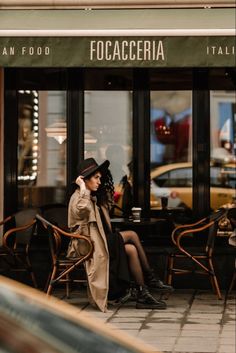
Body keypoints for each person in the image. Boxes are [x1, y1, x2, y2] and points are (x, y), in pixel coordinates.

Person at [68, 158, 173, 312]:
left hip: (100, 241)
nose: (99, 181)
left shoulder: (93, 197)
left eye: (100, 178)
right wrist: (83, 187)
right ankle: (151, 278)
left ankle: (143, 291)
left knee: (130, 249)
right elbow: (82, 210)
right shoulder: (79, 197)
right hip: (88, 245)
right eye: (96, 178)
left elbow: (107, 208)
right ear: (84, 180)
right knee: (131, 234)